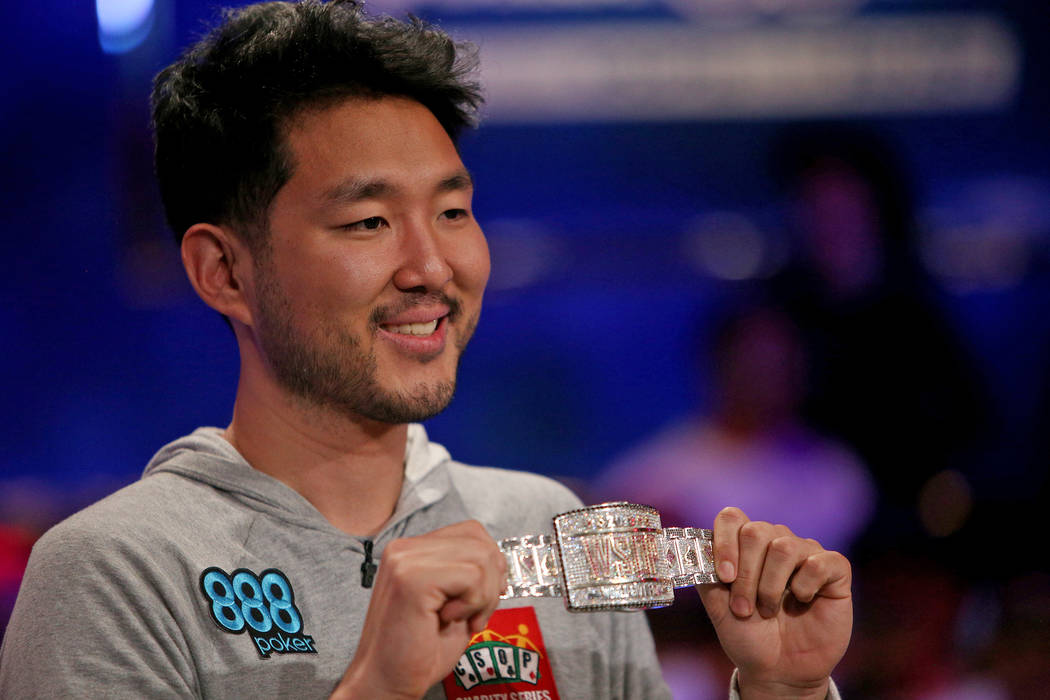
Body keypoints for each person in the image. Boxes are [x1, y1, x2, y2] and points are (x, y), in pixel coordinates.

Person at [0, 2, 852, 698]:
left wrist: (784, 690)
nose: (432, 266)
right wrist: (376, 687)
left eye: (451, 212)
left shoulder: (547, 529)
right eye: (368, 222)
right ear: (223, 270)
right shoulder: (112, 573)